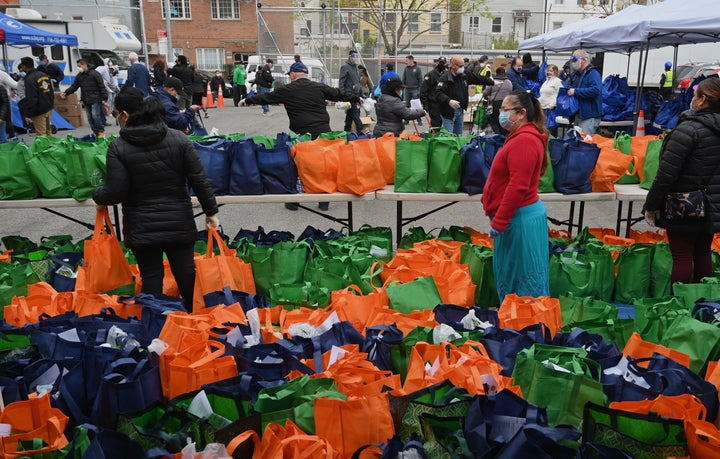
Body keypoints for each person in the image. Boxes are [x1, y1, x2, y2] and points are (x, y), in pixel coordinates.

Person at [93, 88, 219, 311]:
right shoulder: (178, 138)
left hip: (142, 226)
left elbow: (116, 192)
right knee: (186, 275)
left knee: (151, 278)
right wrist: (211, 212)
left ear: (124, 114)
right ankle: (195, 323)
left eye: (115, 114)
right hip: (178, 221)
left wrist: (97, 194)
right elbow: (199, 179)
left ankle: (156, 329)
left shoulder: (118, 147)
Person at [241, 61, 359, 211]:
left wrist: (247, 100)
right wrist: (356, 97)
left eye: (290, 75)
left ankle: (294, 200)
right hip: (323, 132)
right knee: (323, 165)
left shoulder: (287, 90)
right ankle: (324, 199)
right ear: (305, 74)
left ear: (293, 74)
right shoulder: (319, 87)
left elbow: (266, 97)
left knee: (297, 165)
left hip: (301, 135)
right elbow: (338, 94)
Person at [643, 77, 720, 285]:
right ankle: (704, 305)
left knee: (682, 256)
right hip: (713, 203)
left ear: (703, 100)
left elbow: (666, 174)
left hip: (685, 204)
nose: (692, 100)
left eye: (695, 96)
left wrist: (651, 206)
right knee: (703, 253)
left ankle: (678, 307)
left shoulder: (688, 129)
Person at [481, 90, 550, 301]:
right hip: (517, 217)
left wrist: (500, 222)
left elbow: (518, 186)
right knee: (514, 277)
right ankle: (519, 325)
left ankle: (524, 327)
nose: (500, 113)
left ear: (521, 113)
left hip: (519, 219)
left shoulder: (525, 141)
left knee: (522, 283)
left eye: (505, 109)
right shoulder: (520, 137)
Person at [433, 55, 494, 135]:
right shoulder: (444, 78)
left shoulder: (464, 75)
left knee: (459, 136)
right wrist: (449, 101)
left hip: (460, 110)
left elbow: (478, 78)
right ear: (453, 65)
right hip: (448, 112)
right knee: (448, 138)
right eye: (460, 66)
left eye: (463, 66)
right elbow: (438, 93)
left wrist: (493, 82)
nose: (462, 68)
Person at [62, 59, 107, 138]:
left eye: (79, 66)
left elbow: (101, 85)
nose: (79, 68)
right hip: (86, 99)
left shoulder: (95, 74)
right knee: (90, 118)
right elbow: (74, 86)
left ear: (84, 65)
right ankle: (95, 132)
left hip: (96, 98)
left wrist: (104, 96)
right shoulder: (80, 76)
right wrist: (66, 92)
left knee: (95, 115)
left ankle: (101, 131)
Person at [567, 49, 603, 135]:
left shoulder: (592, 74)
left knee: (585, 144)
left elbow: (595, 90)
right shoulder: (577, 75)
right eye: (572, 59)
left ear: (584, 59)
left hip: (589, 117)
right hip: (580, 115)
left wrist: (575, 91)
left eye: (575, 59)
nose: (572, 62)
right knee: (579, 143)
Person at [17, 57, 54, 137]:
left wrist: (29, 114)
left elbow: (32, 98)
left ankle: (44, 149)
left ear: (24, 67)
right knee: (48, 133)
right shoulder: (43, 75)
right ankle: (51, 148)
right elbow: (51, 91)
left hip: (39, 111)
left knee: (41, 135)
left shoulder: (29, 79)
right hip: (48, 108)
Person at [338, 51, 365, 132]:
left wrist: (361, 95)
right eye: (354, 56)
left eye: (357, 57)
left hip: (356, 95)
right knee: (355, 114)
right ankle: (361, 132)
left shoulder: (355, 68)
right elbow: (341, 81)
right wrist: (342, 94)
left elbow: (357, 82)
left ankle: (346, 132)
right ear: (350, 57)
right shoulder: (345, 67)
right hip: (349, 95)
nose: (356, 58)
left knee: (349, 117)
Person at [482, 66, 513, 135]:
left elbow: (485, 93)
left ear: (496, 73)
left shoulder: (493, 82)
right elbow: (511, 92)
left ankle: (498, 135)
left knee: (494, 121)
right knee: (504, 121)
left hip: (495, 104)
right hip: (506, 104)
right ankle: (504, 135)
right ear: (504, 73)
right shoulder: (508, 82)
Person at [419, 56, 447, 130]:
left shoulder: (446, 74)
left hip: (444, 104)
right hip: (433, 104)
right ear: (437, 63)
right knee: (436, 124)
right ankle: (434, 138)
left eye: (443, 63)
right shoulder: (430, 75)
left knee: (443, 124)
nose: (441, 65)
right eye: (440, 63)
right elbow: (423, 90)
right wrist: (425, 104)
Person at [539, 64, 563, 136]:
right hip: (543, 108)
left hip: (551, 109)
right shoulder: (546, 81)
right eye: (548, 70)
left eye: (551, 71)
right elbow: (543, 94)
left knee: (550, 130)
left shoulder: (558, 81)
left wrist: (553, 104)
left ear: (555, 72)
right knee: (543, 130)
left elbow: (560, 94)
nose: (549, 72)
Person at [402, 55, 423, 125]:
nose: (406, 62)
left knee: (416, 105)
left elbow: (420, 80)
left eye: (407, 60)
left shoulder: (417, 68)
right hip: (407, 90)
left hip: (415, 89)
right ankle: (406, 120)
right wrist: (404, 86)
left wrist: (419, 90)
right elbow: (403, 79)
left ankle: (419, 120)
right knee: (407, 105)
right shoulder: (406, 69)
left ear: (411, 60)